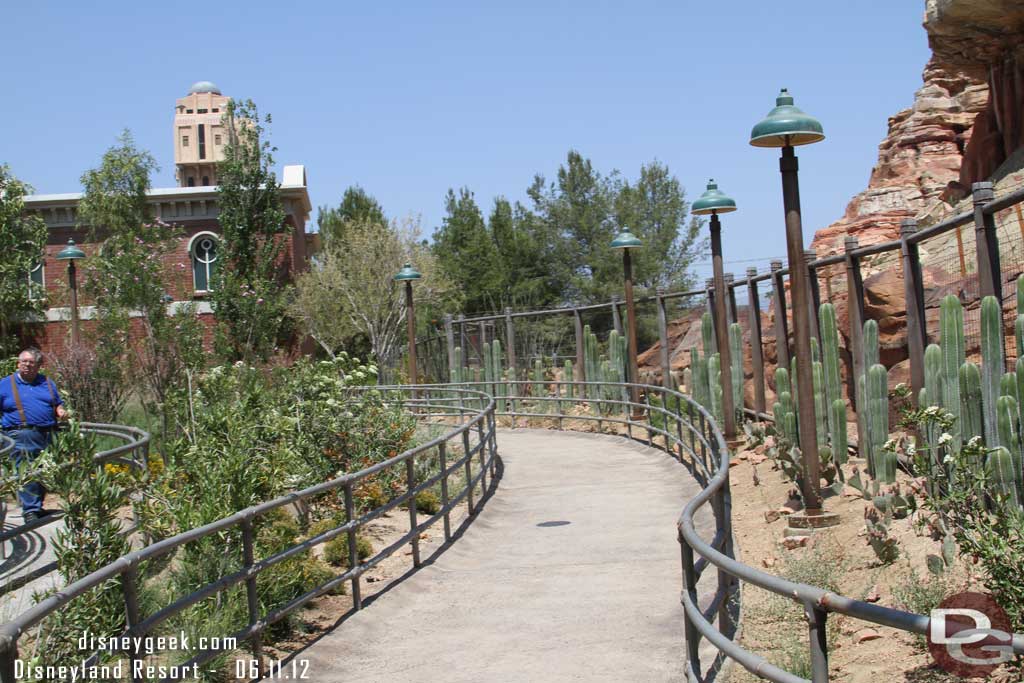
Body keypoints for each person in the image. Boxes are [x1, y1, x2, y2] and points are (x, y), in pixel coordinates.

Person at [0, 348, 68, 522]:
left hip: (48, 433)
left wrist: (61, 411)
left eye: (32, 363)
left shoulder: (46, 382)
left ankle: (37, 507)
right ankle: (30, 510)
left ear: (39, 366)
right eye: (24, 362)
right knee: (28, 471)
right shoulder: (5, 384)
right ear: (18, 364)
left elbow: (57, 404)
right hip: (21, 433)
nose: (27, 365)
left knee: (45, 471)